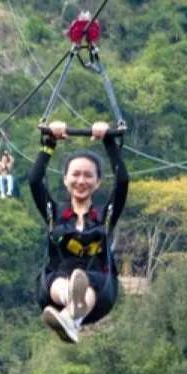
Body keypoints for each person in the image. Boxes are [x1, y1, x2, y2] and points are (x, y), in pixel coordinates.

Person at [28, 119, 128, 342]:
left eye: (88, 175)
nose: (81, 180)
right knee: (62, 282)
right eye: (75, 174)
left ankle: (73, 313)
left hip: (99, 289)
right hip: (55, 287)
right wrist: (49, 144)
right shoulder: (56, 214)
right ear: (65, 179)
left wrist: (110, 142)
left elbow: (122, 181)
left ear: (98, 182)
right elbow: (34, 180)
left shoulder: (105, 216)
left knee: (86, 281)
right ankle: (71, 313)